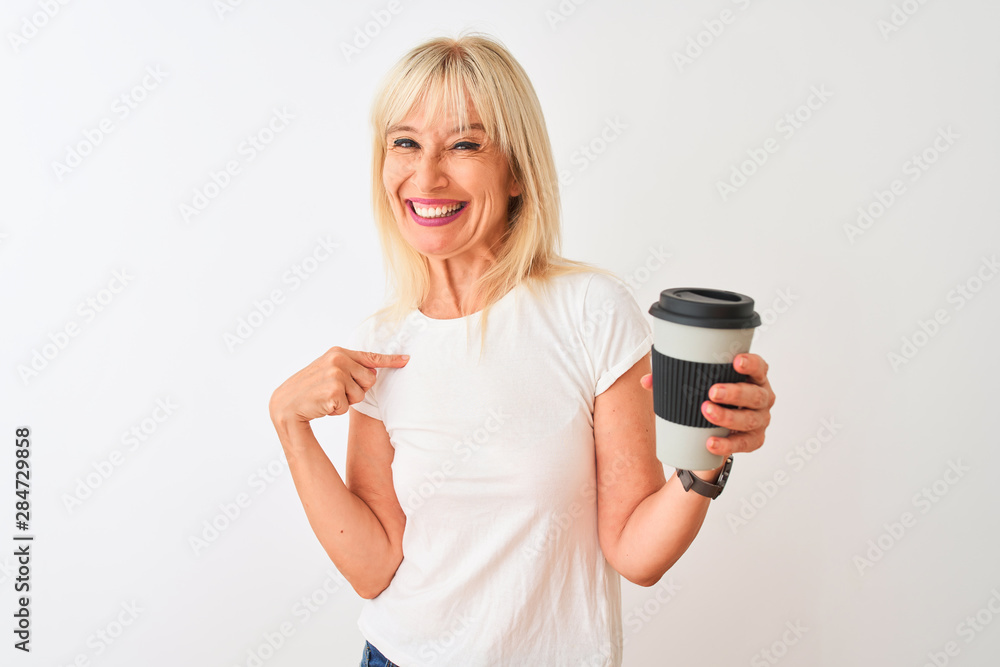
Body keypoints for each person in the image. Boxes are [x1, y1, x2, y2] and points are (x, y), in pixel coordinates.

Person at [268, 31, 776, 667]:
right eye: (405, 143)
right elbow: (375, 569)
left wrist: (708, 458)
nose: (426, 175)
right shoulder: (381, 345)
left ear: (515, 170)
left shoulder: (590, 310)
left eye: (464, 144)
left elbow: (634, 555)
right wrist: (289, 424)